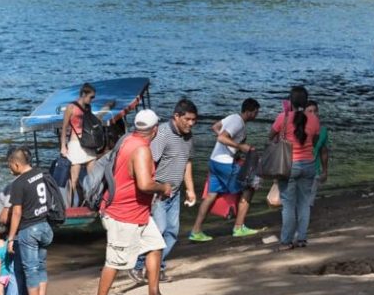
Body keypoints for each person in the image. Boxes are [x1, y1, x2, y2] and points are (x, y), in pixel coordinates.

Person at [93, 109, 176, 295]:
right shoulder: (141, 149)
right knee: (115, 260)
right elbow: (145, 184)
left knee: (155, 247)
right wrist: (163, 187)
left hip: (137, 212)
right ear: (155, 130)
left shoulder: (127, 139)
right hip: (123, 214)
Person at [132, 98, 198, 282]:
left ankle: (155, 268)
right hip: (158, 195)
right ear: (176, 116)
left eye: (194, 120)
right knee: (158, 232)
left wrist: (190, 189)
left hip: (174, 193)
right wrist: (152, 191)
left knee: (172, 233)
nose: (191, 123)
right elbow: (148, 163)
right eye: (188, 119)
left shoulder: (188, 136)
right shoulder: (162, 134)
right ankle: (138, 265)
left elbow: (187, 162)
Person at [189, 98, 262, 241]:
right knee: (250, 187)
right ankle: (239, 227)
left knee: (211, 195)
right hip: (225, 163)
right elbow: (222, 138)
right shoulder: (238, 122)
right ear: (248, 111)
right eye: (255, 112)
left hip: (214, 161)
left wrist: (230, 146)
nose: (256, 115)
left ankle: (196, 231)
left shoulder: (232, 117)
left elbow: (215, 127)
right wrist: (240, 147)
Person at [2, 146, 58, 295]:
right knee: (40, 266)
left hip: (30, 229)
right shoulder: (41, 173)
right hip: (45, 226)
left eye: (9, 165)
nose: (9, 169)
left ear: (16, 164)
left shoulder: (18, 183)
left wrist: (11, 238)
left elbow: (16, 212)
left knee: (30, 269)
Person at [271, 85, 321, 249]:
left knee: (288, 205)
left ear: (290, 101)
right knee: (304, 204)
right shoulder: (314, 119)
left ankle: (286, 241)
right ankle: (302, 239)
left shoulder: (283, 117)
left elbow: (271, 136)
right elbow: (314, 140)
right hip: (308, 164)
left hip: (288, 165)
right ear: (306, 102)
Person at [60, 84, 101, 206]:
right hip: (75, 144)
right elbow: (64, 128)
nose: (92, 99)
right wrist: (63, 146)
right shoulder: (71, 107)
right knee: (74, 179)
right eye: (91, 97)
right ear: (84, 94)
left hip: (88, 143)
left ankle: (92, 203)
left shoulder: (88, 107)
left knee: (93, 177)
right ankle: (71, 206)